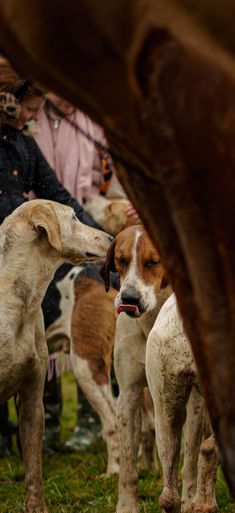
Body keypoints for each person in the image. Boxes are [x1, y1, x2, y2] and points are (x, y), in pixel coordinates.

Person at [0, 61, 101, 458]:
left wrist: (99, 237)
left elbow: (58, 195)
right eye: (28, 108)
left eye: (36, 110)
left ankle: (39, 431)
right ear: (7, 101)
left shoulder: (25, 146)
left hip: (25, 271)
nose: (32, 116)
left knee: (35, 340)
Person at [33, 93, 109, 452]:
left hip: (85, 231)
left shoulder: (91, 119)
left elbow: (109, 175)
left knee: (86, 327)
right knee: (42, 328)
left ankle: (90, 421)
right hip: (40, 234)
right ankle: (46, 423)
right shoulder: (28, 117)